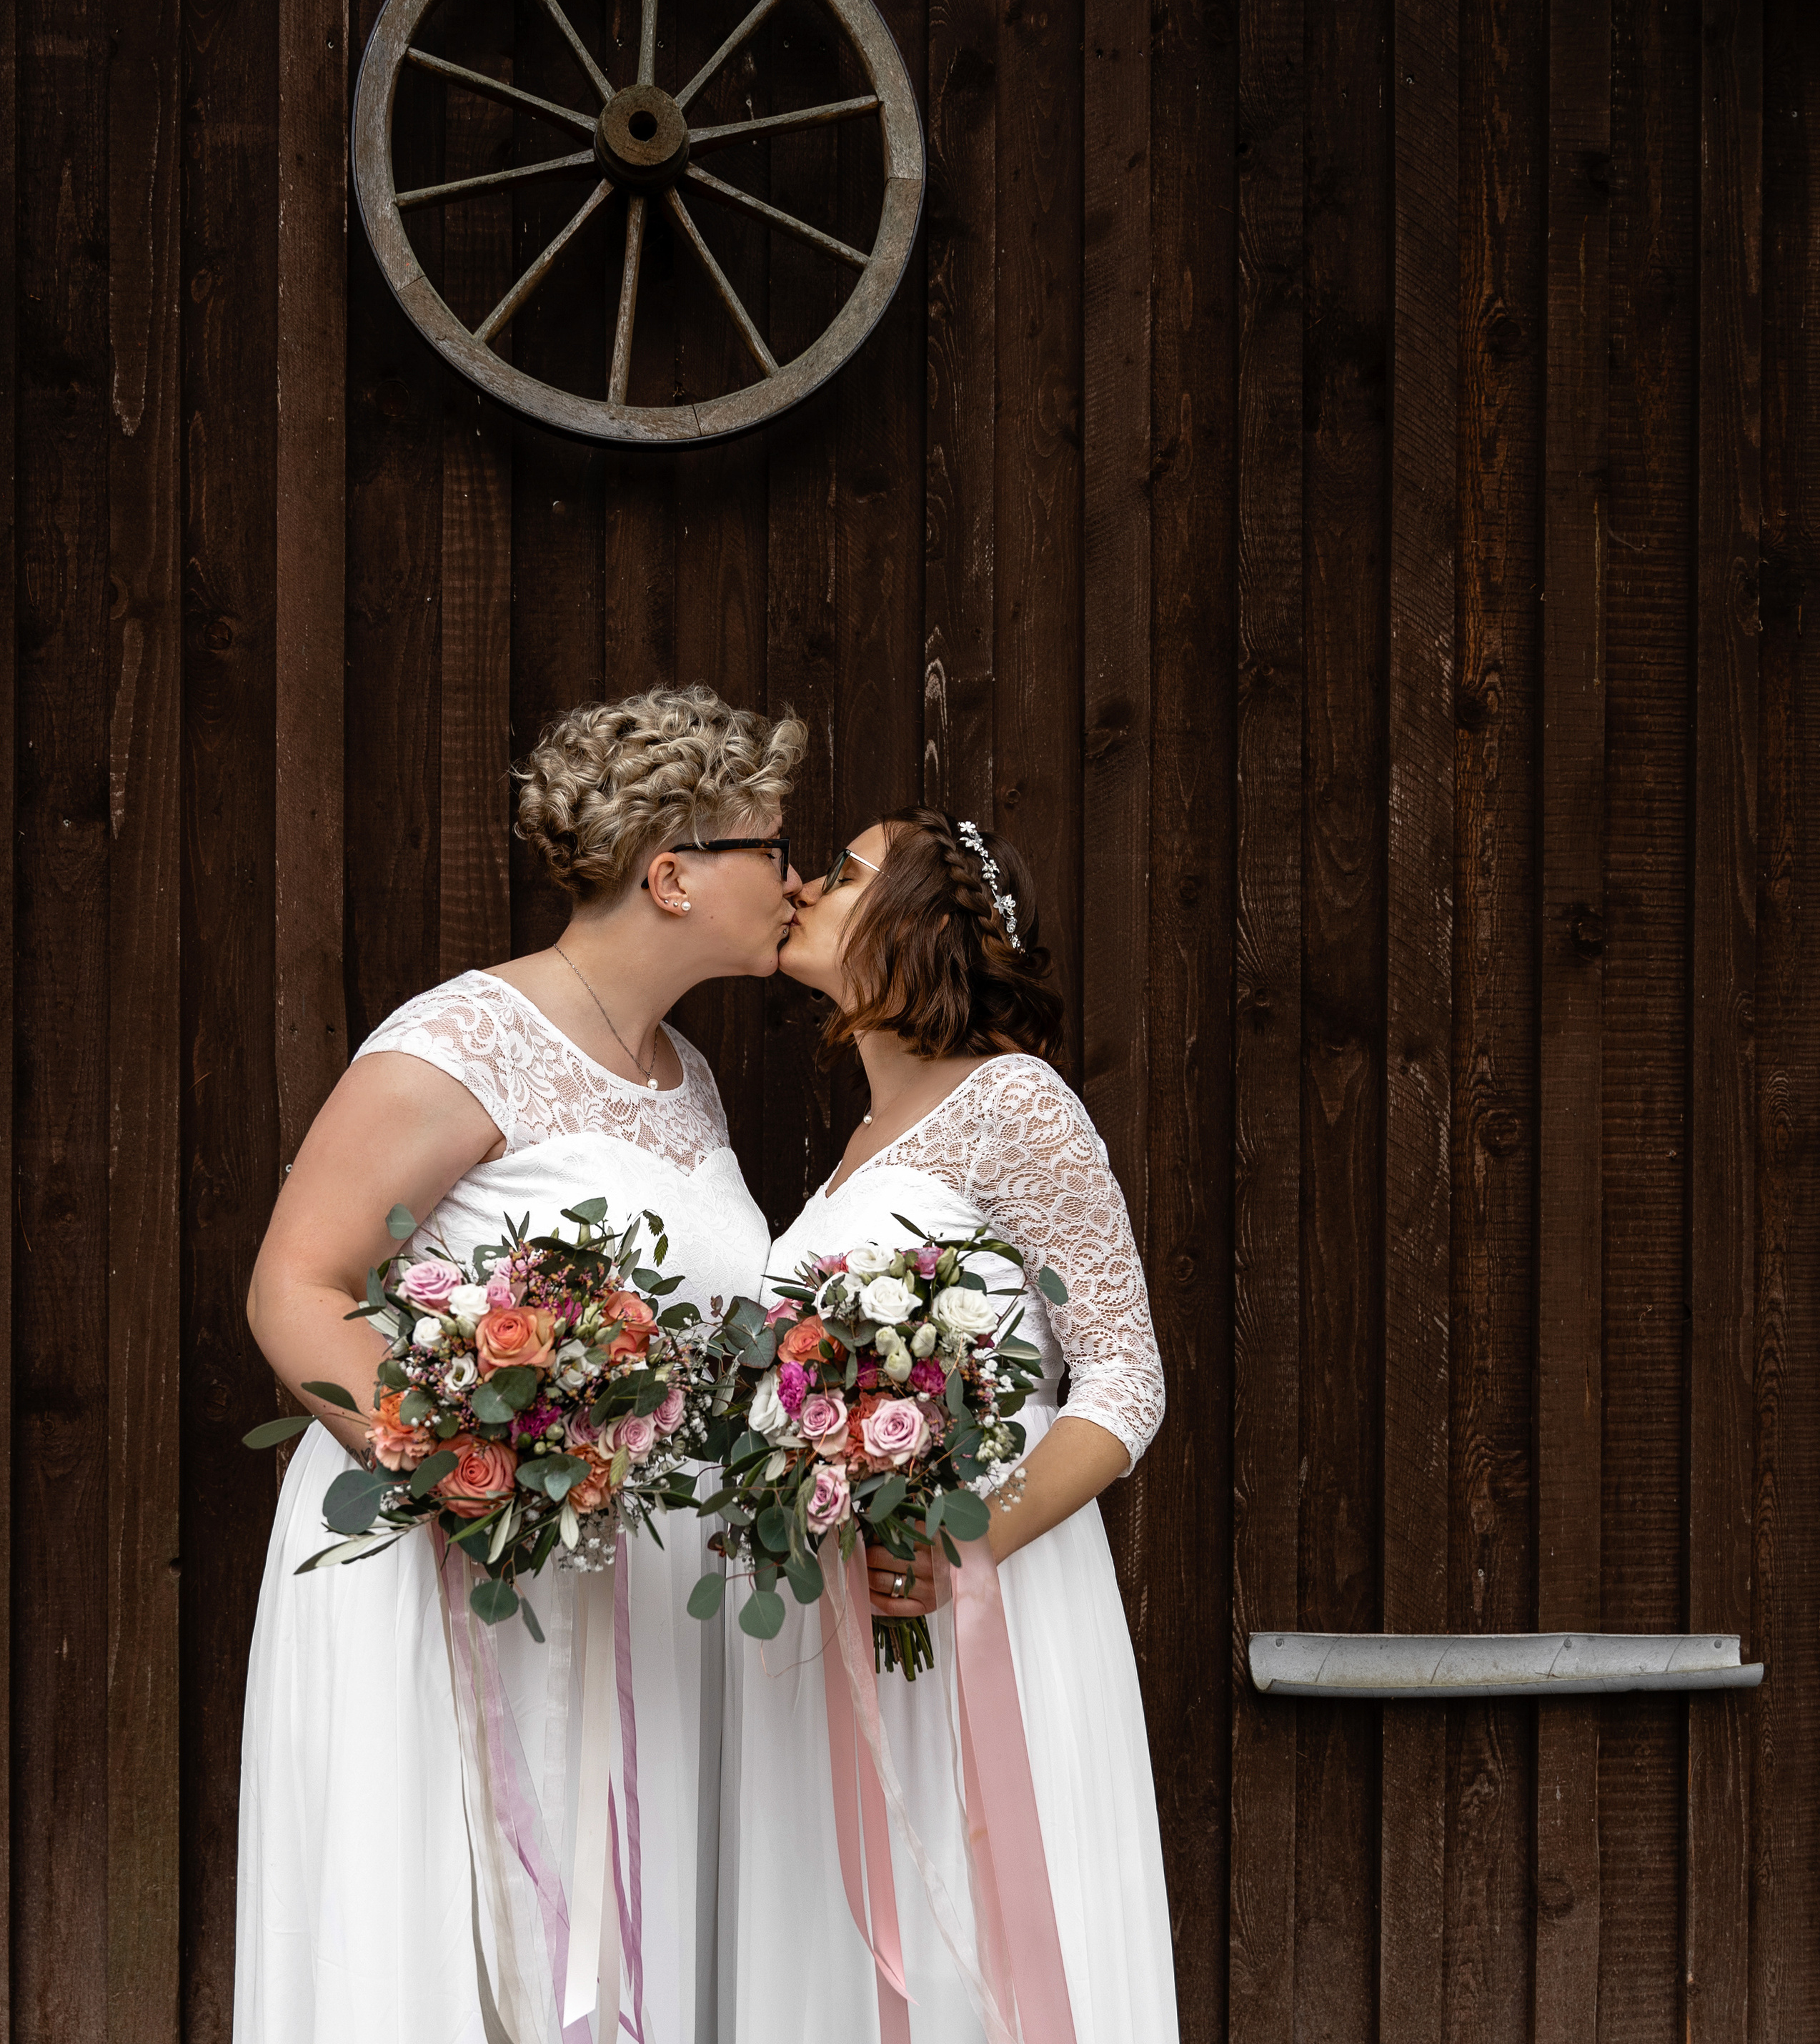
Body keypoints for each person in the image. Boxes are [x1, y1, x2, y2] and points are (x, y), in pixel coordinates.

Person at [236, 685, 804, 2044]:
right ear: (673, 874)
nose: (794, 878)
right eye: (771, 849)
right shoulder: (459, 1045)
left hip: (628, 1586)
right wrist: (474, 1468)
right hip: (448, 1565)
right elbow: (298, 1289)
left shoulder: (685, 1074)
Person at [720, 807, 1178, 2044]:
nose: (807, 882)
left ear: (916, 924)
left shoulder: (1015, 1106)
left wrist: (966, 1543)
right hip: (855, 1603)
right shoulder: (859, 1142)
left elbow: (1127, 1379)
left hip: (992, 1602)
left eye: (850, 869)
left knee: (990, 1936)